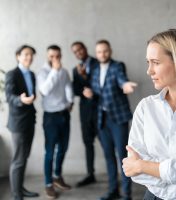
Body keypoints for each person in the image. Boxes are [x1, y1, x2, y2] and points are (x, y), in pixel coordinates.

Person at [122, 29, 176, 200]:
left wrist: (143, 165)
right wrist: (143, 167)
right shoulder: (145, 107)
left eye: (155, 62)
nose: (149, 71)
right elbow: (133, 169)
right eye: (148, 62)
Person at [83, 40, 137, 200]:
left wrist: (125, 85)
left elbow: (121, 79)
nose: (102, 54)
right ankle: (113, 190)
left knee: (123, 156)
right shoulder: (93, 69)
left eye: (105, 51)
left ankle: (126, 194)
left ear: (110, 51)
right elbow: (95, 89)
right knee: (108, 155)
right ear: (96, 53)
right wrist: (90, 94)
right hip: (102, 119)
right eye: (99, 52)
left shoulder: (117, 66)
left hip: (118, 118)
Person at [37, 45, 74, 199]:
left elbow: (68, 88)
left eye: (57, 56)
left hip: (64, 114)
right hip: (50, 117)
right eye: (52, 56)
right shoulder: (43, 73)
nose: (55, 59)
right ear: (48, 56)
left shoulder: (64, 72)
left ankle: (57, 176)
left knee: (63, 148)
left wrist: (70, 102)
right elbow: (44, 91)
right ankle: (48, 184)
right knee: (50, 151)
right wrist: (55, 71)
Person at [5, 45, 39, 200]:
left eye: (31, 55)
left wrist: (30, 99)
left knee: (24, 157)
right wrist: (21, 99)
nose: (29, 57)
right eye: (26, 54)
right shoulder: (12, 74)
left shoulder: (31, 74)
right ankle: (16, 195)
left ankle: (20, 188)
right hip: (18, 123)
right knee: (18, 159)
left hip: (30, 121)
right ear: (18, 56)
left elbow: (31, 94)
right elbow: (10, 97)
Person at [71, 41, 98, 187]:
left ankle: (118, 176)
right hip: (85, 112)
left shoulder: (97, 62)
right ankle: (90, 174)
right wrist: (81, 80)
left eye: (79, 49)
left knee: (108, 145)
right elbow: (76, 90)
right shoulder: (75, 70)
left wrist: (85, 77)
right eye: (75, 52)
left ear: (85, 48)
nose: (78, 53)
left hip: (100, 110)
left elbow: (101, 84)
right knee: (88, 144)